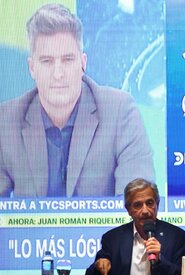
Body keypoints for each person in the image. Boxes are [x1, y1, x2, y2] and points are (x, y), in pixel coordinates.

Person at [0, 3, 154, 197]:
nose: (58, 74)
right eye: (47, 61)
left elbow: (139, 207)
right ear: (32, 68)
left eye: (67, 60)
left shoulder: (120, 112)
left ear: (83, 63)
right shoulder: (6, 121)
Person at [84, 178, 185, 275]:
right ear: (128, 209)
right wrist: (99, 268)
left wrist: (159, 261)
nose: (145, 211)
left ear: (157, 204)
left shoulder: (176, 236)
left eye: (149, 203)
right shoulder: (113, 238)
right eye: (138, 205)